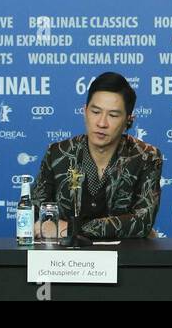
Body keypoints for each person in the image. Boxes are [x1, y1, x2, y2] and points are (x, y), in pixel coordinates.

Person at [32, 72, 162, 239]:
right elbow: (35, 217)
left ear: (128, 120)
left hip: (125, 259)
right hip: (64, 260)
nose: (102, 123)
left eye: (113, 115)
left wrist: (71, 229)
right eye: (95, 112)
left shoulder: (146, 157)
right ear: (85, 111)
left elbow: (142, 222)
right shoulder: (58, 154)